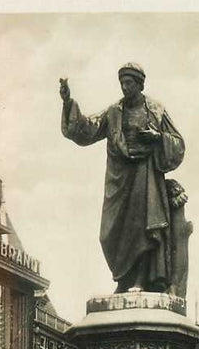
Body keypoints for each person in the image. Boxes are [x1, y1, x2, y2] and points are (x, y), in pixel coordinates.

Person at [60, 64, 185, 294]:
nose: (125, 87)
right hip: (119, 177)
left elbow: (177, 142)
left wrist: (157, 138)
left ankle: (138, 280)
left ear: (140, 84)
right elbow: (87, 129)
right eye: (122, 83)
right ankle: (123, 278)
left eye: (129, 83)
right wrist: (68, 102)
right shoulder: (113, 112)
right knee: (110, 231)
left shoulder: (156, 110)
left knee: (141, 226)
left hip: (145, 175)